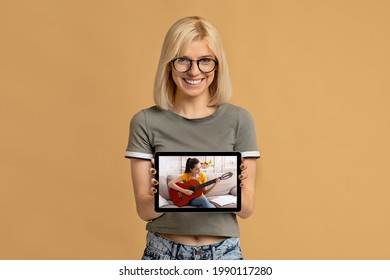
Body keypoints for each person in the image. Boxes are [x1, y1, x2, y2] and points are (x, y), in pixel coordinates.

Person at [125, 16, 260, 260]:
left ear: (217, 65)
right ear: (169, 64)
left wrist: (237, 190)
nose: (194, 71)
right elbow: (143, 210)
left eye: (205, 60)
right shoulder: (145, 122)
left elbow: (247, 210)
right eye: (183, 60)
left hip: (223, 254)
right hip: (163, 252)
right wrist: (162, 193)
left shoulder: (239, 120)